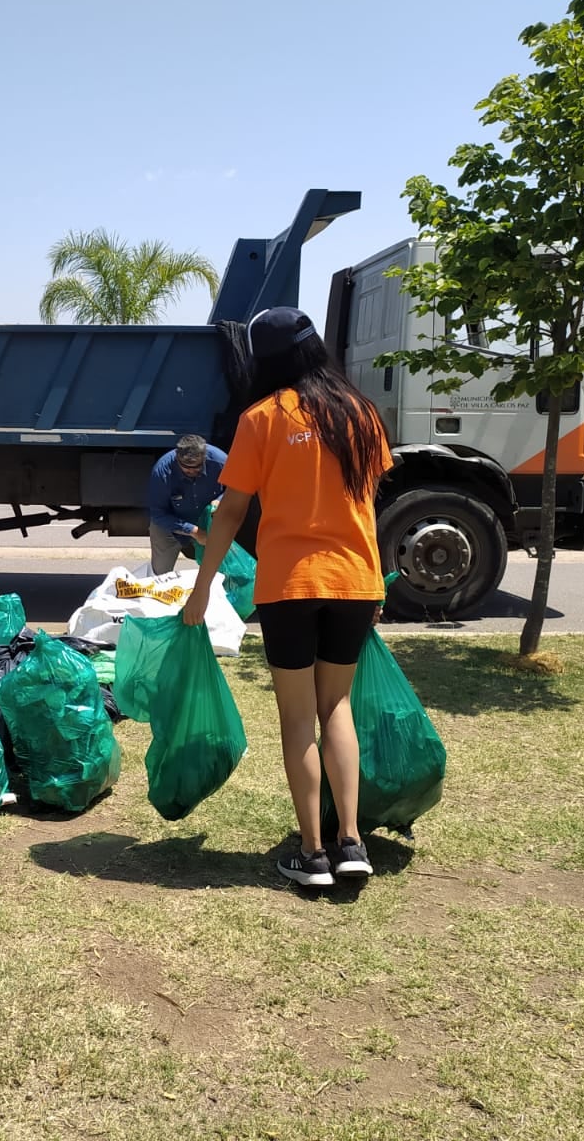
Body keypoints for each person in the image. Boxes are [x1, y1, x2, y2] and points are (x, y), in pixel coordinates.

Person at [182, 307, 393, 889]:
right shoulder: (362, 414)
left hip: (290, 586)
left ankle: (312, 854)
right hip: (355, 581)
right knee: (337, 709)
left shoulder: (262, 418)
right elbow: (368, 506)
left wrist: (203, 589)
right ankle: (352, 844)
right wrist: (377, 583)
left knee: (299, 719)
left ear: (264, 359)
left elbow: (230, 512)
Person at [146, 434, 227, 574]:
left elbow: (237, 490)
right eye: (186, 467)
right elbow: (157, 514)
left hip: (210, 524)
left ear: (205, 456)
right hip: (171, 525)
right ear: (177, 458)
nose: (191, 471)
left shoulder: (221, 462)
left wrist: (220, 500)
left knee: (225, 572)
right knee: (159, 573)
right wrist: (193, 531)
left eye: (197, 467)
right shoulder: (162, 471)